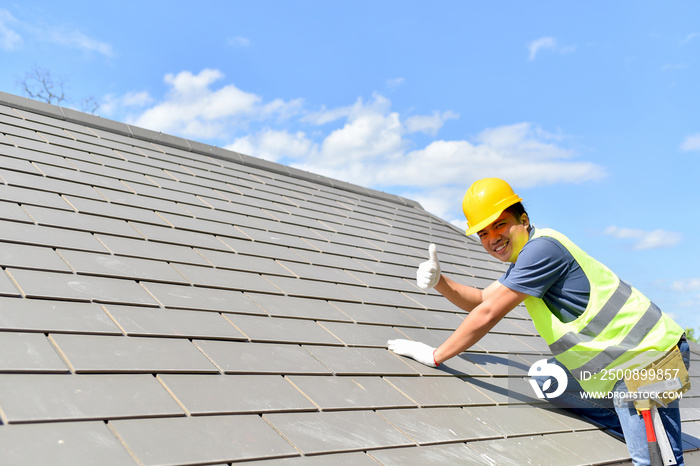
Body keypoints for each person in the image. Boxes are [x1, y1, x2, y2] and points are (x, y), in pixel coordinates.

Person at [388, 177, 689, 466]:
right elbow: (481, 300)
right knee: (548, 380)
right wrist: (440, 281)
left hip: (650, 361)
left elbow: (489, 313)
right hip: (617, 367)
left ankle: (652, 445)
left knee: (652, 461)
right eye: (483, 233)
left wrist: (436, 355)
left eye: (500, 225)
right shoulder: (526, 259)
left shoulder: (541, 251)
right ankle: (636, 428)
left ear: (523, 220)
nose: (493, 239)